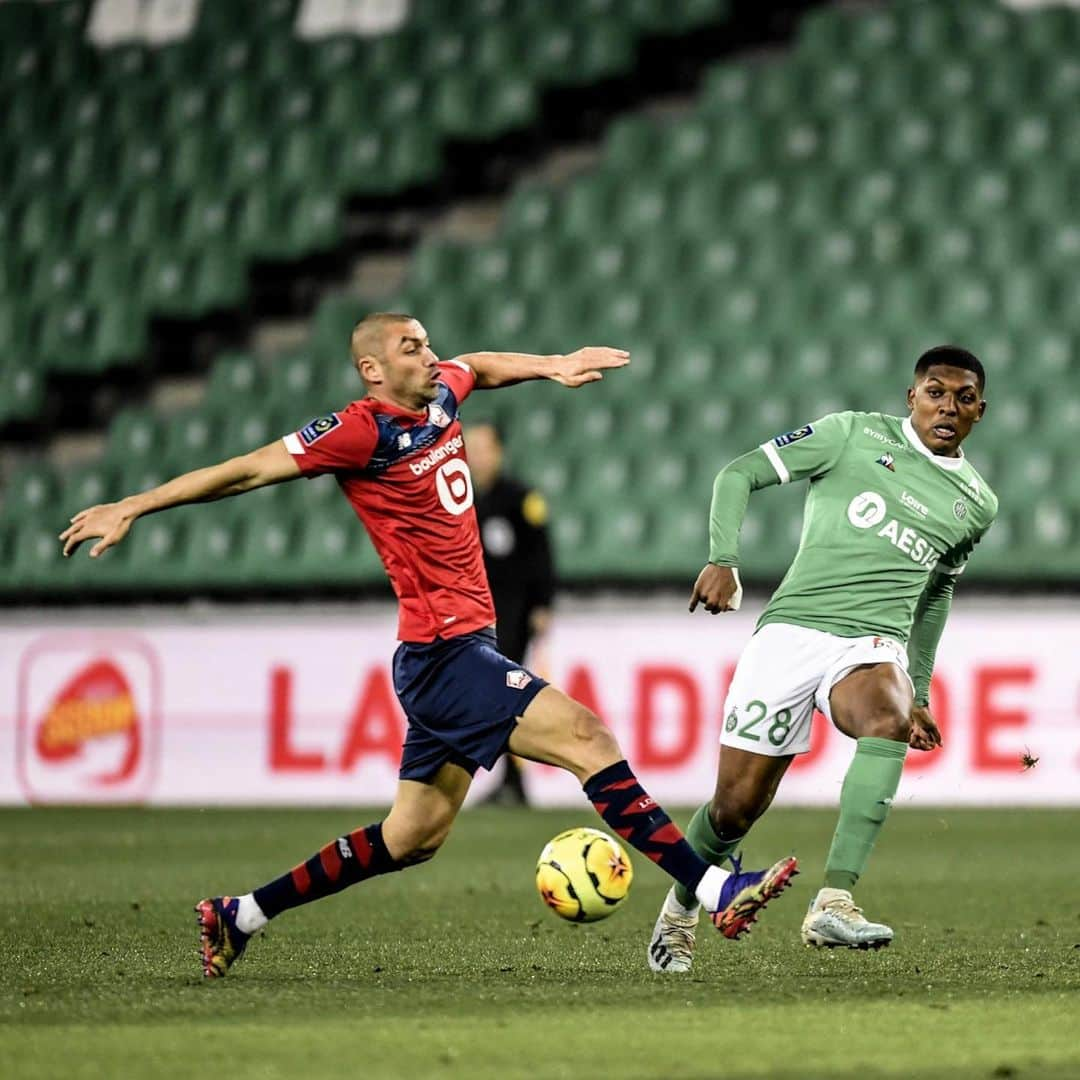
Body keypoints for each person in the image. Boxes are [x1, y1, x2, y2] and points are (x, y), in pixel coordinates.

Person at [59, 312, 798, 979]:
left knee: (411, 837)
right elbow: (247, 469)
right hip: (444, 655)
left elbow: (477, 363)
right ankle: (712, 886)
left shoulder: (440, 394)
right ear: (373, 370)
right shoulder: (358, 431)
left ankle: (239, 915)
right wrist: (134, 505)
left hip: (452, 651)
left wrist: (552, 362)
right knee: (587, 734)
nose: (429, 352)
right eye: (409, 347)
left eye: (425, 340)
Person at [647, 345, 997, 973]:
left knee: (886, 719)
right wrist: (724, 558)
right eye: (935, 392)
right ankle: (679, 912)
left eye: (963, 397)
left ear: (980, 411)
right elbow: (738, 472)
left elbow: (937, 592)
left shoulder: (976, 503)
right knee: (733, 810)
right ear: (910, 398)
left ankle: (835, 900)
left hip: (871, 644)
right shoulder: (849, 434)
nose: (948, 407)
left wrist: (917, 688)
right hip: (792, 632)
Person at [465, 420, 555, 806]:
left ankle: (514, 779)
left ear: (499, 452)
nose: (477, 457)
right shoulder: (463, 498)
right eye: (471, 449)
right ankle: (508, 779)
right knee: (491, 697)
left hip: (514, 611)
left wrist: (542, 604)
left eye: (484, 448)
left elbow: (542, 555)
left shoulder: (521, 498)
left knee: (506, 694)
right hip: (476, 613)